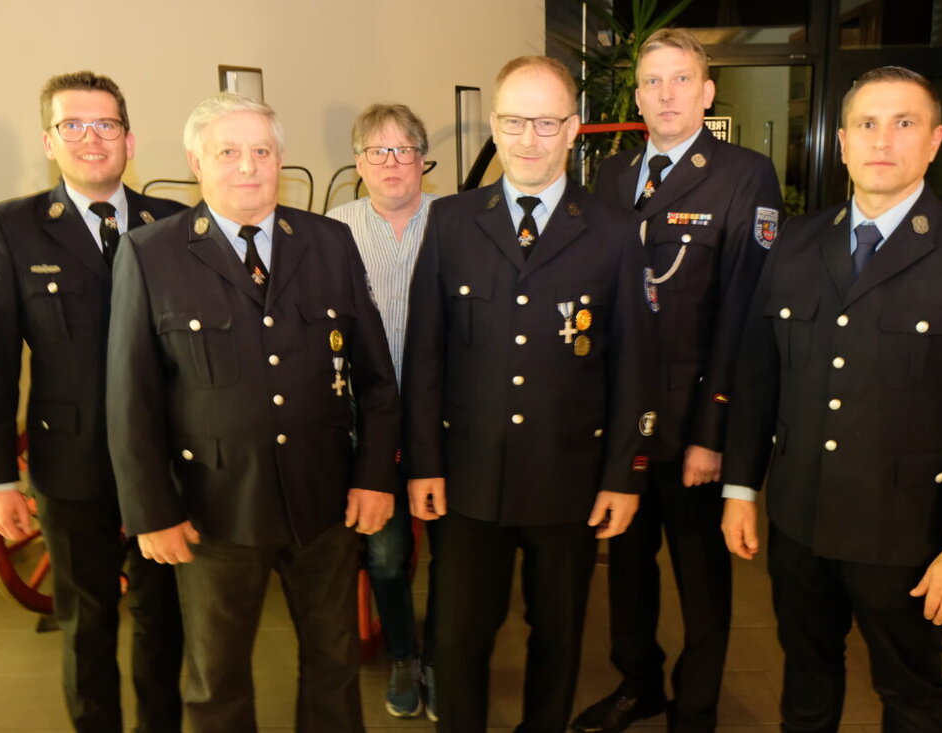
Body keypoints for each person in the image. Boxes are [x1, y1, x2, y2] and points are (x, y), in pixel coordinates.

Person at [720, 66, 942, 731]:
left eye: (904, 123)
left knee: (911, 691)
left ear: (935, 141)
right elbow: (757, 378)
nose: (882, 140)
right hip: (802, 524)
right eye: (866, 124)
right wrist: (742, 488)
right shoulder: (797, 243)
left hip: (910, 535)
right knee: (806, 679)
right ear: (840, 142)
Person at [105, 93, 400, 733]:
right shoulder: (151, 253)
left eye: (261, 151)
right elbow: (130, 400)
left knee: (334, 667)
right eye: (228, 152)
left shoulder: (328, 241)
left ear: (281, 160)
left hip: (323, 505)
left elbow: (376, 379)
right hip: (213, 511)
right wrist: (152, 512)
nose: (247, 167)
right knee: (215, 682)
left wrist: (374, 475)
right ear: (196, 162)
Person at [402, 55, 655, 733]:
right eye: (514, 121)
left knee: (559, 636)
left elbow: (633, 364)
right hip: (467, 478)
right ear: (495, 123)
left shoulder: (611, 229)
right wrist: (423, 460)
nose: (528, 138)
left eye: (546, 122)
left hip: (568, 478)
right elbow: (425, 354)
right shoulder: (451, 221)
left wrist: (622, 476)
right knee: (458, 638)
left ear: (574, 129)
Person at [572, 28, 782, 733]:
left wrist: (713, 433)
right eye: (652, 81)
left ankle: (696, 708)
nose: (665, 93)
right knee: (628, 568)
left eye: (680, 79)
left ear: (707, 91)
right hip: (623, 423)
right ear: (637, 96)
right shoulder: (608, 175)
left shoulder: (744, 174)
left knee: (701, 582)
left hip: (693, 422)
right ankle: (639, 684)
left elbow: (744, 316)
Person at [0, 70, 185, 733]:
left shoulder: (171, 224)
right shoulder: (14, 228)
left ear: (129, 138)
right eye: (74, 125)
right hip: (71, 462)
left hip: (164, 463)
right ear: (50, 141)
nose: (92, 139)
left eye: (106, 124)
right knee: (86, 623)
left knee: (163, 621)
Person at [327, 102, 439, 720]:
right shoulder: (334, 229)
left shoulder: (455, 223)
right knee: (388, 554)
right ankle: (404, 653)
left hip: (448, 419)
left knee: (460, 553)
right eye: (377, 152)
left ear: (423, 159)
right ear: (359, 164)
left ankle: (443, 657)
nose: (392, 163)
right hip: (371, 422)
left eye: (404, 150)